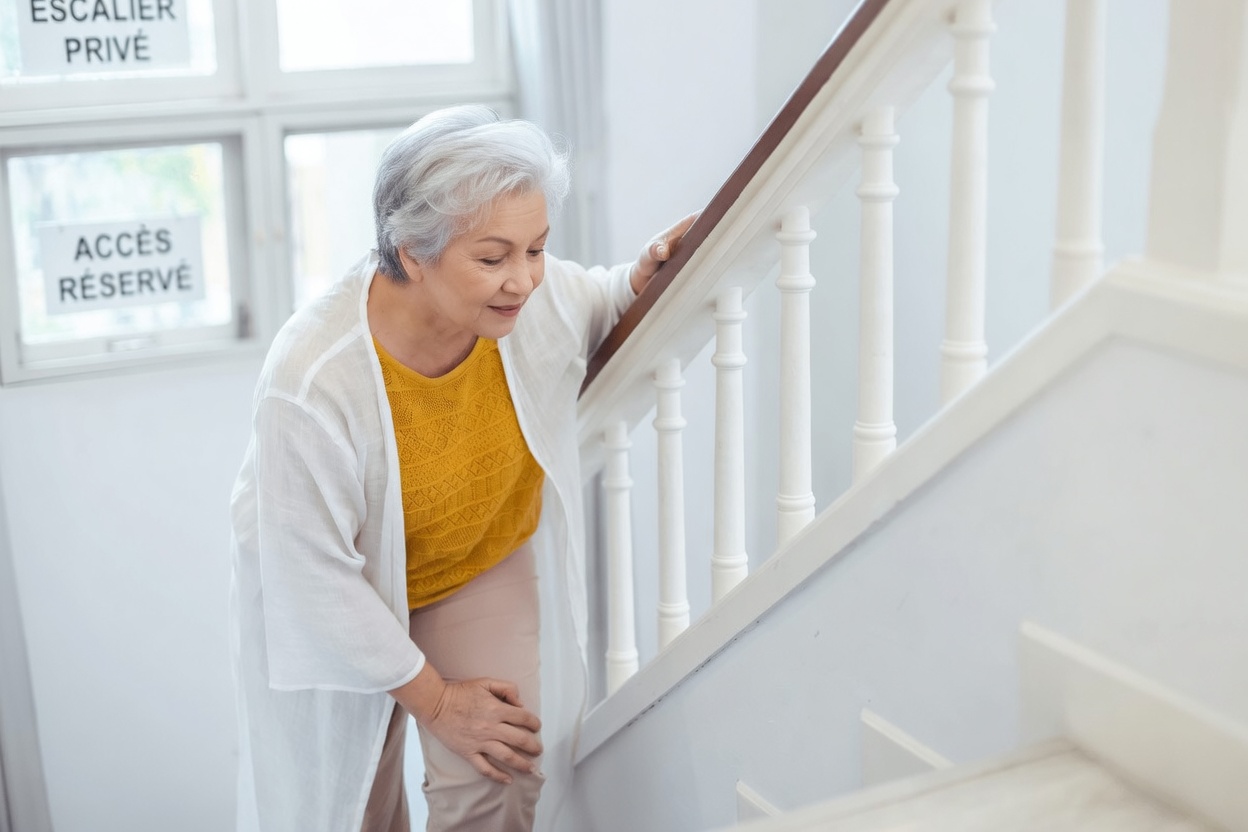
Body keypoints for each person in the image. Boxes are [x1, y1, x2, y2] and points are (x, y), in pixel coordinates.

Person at [229, 104, 697, 832]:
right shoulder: (313, 380)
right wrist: (438, 701)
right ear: (412, 252)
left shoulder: (527, 300)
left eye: (537, 248)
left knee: (504, 765)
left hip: (476, 555)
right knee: (351, 808)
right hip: (342, 596)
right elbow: (314, 576)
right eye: (493, 257)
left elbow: (593, 298)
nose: (524, 280)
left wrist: (638, 278)